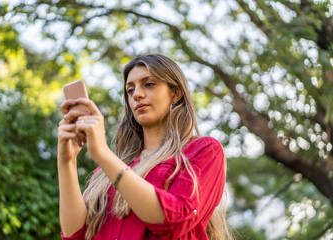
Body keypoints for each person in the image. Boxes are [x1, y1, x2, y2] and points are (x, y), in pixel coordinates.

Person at [57, 54, 232, 240]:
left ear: (176, 92)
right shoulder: (109, 169)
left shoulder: (203, 151)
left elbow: (176, 220)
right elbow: (76, 235)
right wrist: (66, 162)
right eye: (130, 90)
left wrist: (102, 153)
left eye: (149, 84)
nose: (137, 95)